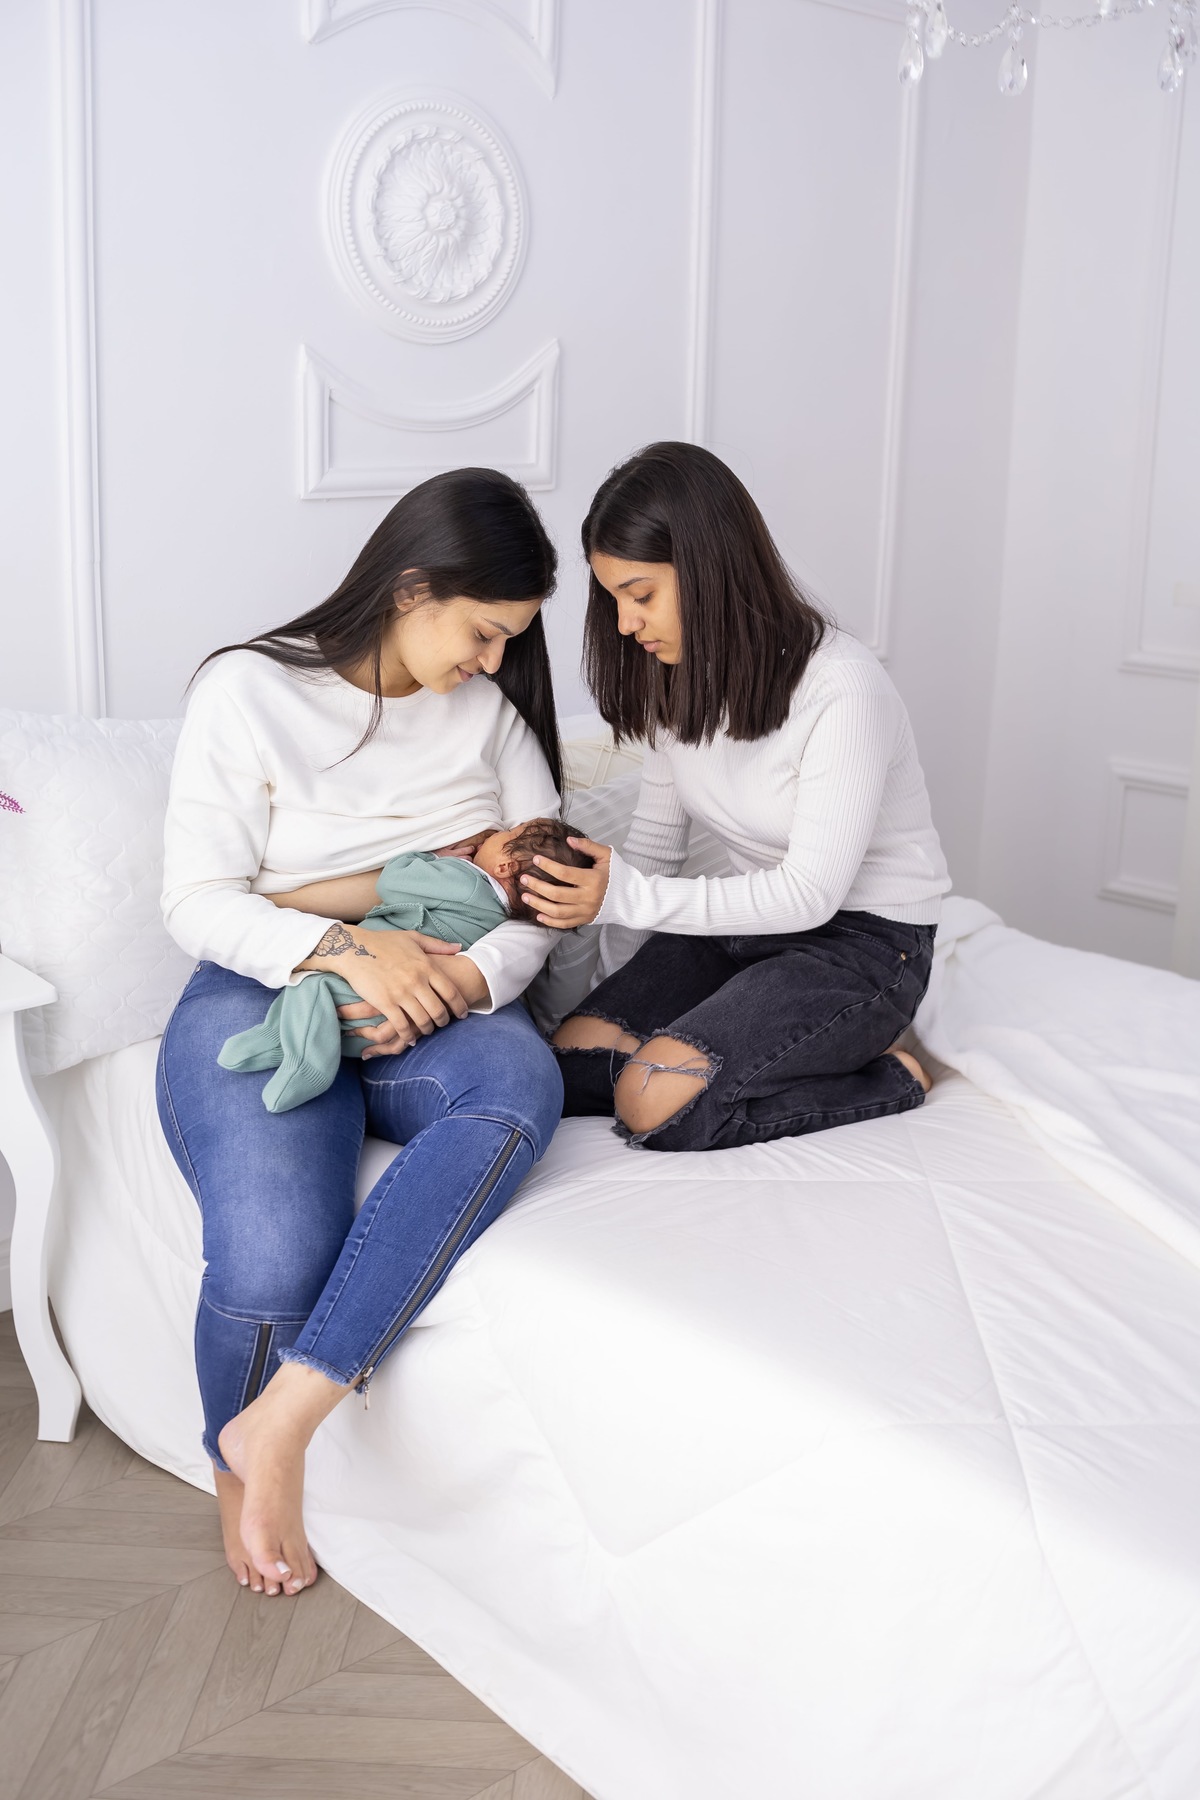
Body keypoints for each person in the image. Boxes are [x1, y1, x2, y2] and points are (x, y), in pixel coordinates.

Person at [156, 469, 566, 1597]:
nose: (489, 663)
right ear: (413, 587)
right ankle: (232, 1459)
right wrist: (345, 951)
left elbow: (535, 894)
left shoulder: (490, 716)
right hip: (266, 981)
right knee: (277, 1249)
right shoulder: (247, 691)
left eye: (507, 641)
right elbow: (196, 897)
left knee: (514, 1093)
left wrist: (465, 981)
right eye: (482, 632)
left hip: (444, 994)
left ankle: (280, 1423)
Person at [519, 441, 951, 1152]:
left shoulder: (842, 687)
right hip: (748, 929)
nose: (627, 625)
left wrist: (619, 896)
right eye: (616, 599)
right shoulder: (674, 681)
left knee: (650, 1102)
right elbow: (655, 851)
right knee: (564, 1066)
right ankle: (734, 1048)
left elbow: (810, 897)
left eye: (641, 595)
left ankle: (889, 1075)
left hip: (865, 945)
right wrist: (603, 995)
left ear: (707, 568)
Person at [217, 820, 594, 1113]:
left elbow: (395, 880)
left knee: (311, 985)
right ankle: (277, 1038)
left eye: (508, 832)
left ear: (505, 863)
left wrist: (435, 858)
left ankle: (307, 1062)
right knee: (314, 989)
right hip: (396, 1014)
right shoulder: (498, 915)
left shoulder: (463, 881)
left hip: (374, 987)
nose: (496, 831)